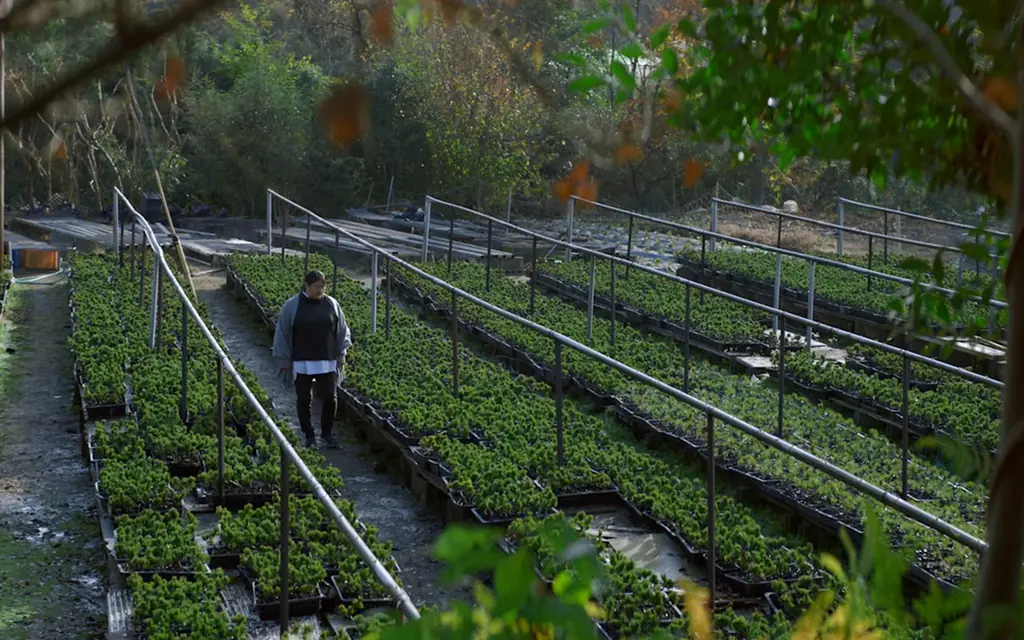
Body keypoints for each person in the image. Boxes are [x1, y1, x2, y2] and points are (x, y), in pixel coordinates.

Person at [273, 270, 351, 449]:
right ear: (306, 286)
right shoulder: (292, 306)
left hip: (327, 358)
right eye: (316, 287)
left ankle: (327, 433)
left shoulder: (331, 304)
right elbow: (282, 333)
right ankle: (309, 435)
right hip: (302, 360)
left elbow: (342, 329)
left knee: (330, 397)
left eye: (323, 286)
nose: (320, 290)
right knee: (303, 398)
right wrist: (284, 360)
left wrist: (342, 353)